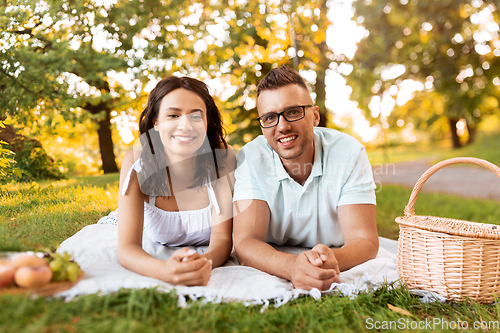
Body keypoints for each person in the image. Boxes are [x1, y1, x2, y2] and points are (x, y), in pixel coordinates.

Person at [232, 66, 378, 291]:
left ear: (315, 116)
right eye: (270, 117)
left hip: (332, 251)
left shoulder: (349, 152)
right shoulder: (250, 158)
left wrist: (333, 260)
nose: (282, 126)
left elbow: (365, 240)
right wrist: (292, 266)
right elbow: (245, 242)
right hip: (280, 255)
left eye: (293, 112)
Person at [115, 76, 235, 286]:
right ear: (156, 122)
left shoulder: (222, 158)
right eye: (173, 115)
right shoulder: (136, 163)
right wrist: (165, 270)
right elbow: (127, 249)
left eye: (196, 116)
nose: (185, 125)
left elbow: (223, 239)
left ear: (207, 123)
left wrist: (200, 264)